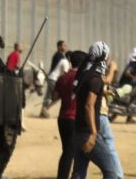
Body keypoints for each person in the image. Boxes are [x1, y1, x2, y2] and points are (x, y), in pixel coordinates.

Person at [72, 41, 121, 179]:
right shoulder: (96, 79)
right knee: (112, 171)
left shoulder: (85, 74)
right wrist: (93, 133)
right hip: (88, 133)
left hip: (78, 131)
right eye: (107, 57)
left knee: (79, 173)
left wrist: (103, 93)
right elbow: (88, 106)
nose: (109, 59)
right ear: (103, 57)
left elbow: (86, 95)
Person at [53, 50, 86, 179]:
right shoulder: (83, 78)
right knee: (70, 152)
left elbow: (54, 96)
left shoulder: (63, 77)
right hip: (75, 118)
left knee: (66, 150)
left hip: (63, 118)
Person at [42, 40, 70, 117]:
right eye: (63, 46)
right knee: (58, 95)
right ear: (59, 46)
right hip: (53, 78)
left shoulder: (58, 55)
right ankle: (46, 109)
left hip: (51, 77)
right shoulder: (60, 56)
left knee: (48, 96)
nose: (65, 47)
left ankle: (43, 112)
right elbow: (61, 71)